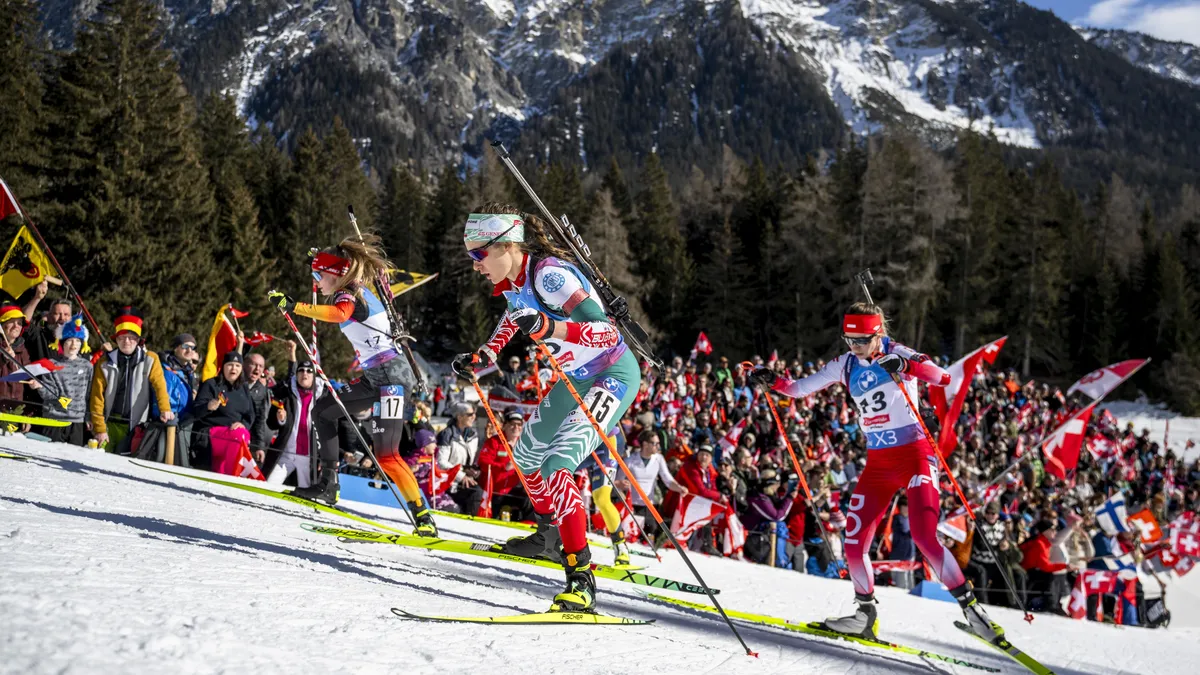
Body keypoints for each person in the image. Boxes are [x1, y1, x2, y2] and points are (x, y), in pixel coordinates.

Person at [748, 302, 1004, 643]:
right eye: (849, 339)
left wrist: (907, 364)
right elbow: (799, 388)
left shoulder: (897, 352)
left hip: (915, 455)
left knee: (924, 536)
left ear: (877, 334)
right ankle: (864, 615)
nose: (854, 347)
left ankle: (975, 613)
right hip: (879, 462)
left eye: (861, 340)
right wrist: (774, 380)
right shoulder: (845, 364)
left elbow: (942, 377)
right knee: (854, 544)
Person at [453, 204, 642, 613]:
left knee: (558, 464)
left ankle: (581, 577)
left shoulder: (549, 275)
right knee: (524, 455)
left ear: (505, 245)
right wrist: (483, 356)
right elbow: (512, 319)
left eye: (478, 254)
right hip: (575, 379)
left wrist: (547, 328)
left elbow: (604, 331)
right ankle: (547, 536)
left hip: (613, 374)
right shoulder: (512, 280)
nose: (475, 265)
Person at [268, 234, 437, 537]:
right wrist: (319, 258)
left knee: (386, 454)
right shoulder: (351, 287)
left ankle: (423, 516)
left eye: (320, 276)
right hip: (375, 378)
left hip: (393, 381)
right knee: (323, 411)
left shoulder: (348, 295)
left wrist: (295, 306)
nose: (318, 283)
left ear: (335, 274)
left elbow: (339, 314)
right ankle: (328, 485)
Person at [87, 307, 173, 453]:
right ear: (116, 339)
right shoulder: (104, 363)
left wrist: (165, 409)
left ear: (138, 340)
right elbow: (97, 398)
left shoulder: (151, 359)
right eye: (122, 337)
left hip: (136, 427)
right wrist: (100, 428)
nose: (126, 341)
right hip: (108, 425)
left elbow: (160, 386)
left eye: (131, 337)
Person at [28, 313, 92, 444]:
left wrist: (88, 417)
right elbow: (48, 394)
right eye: (69, 340)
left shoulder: (87, 366)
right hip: (54, 419)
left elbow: (89, 393)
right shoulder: (52, 365)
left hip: (77, 421)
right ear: (62, 343)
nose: (73, 344)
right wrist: (40, 386)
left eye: (77, 341)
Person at [192, 351, 259, 477]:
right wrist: (208, 406)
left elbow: (251, 414)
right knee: (239, 435)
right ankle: (235, 477)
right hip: (210, 434)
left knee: (241, 433)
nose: (233, 368)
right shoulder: (211, 384)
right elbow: (195, 410)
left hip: (234, 436)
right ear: (223, 367)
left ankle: (224, 475)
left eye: (237, 365)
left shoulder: (243, 388)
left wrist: (243, 424)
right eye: (230, 365)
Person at [267, 357, 325, 487]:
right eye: (301, 370)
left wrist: (324, 457)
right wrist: (281, 420)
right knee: (269, 485)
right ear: (297, 374)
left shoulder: (322, 397)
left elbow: (330, 430)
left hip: (308, 457)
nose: (305, 373)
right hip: (287, 453)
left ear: (314, 376)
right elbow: (270, 423)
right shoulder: (287, 394)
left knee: (307, 493)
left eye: (309, 371)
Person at [625, 430, 688, 543]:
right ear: (645, 444)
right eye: (655, 443)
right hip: (631, 505)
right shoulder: (630, 460)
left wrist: (680, 488)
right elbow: (617, 480)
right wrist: (621, 484)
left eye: (658, 443)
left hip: (649, 505)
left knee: (651, 532)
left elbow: (668, 480)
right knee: (632, 536)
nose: (658, 446)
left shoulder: (658, 459)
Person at [476, 408, 529, 518]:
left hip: (514, 492)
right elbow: (483, 462)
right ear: (504, 425)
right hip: (493, 492)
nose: (516, 427)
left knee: (530, 502)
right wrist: (504, 467)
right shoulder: (494, 442)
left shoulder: (524, 444)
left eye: (519, 424)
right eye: (512, 424)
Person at [437, 401, 484, 515]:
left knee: (478, 490)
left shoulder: (473, 435)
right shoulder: (447, 434)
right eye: (470, 414)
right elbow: (441, 462)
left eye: (474, 414)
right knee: (476, 492)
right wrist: (461, 475)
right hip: (449, 481)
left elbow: (471, 459)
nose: (474, 417)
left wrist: (473, 469)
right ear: (459, 417)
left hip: (464, 478)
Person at [0, 304, 32, 414]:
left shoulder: (22, 349)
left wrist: (27, 414)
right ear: (2, 325)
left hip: (16, 411)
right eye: (11, 322)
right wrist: (3, 359)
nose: (16, 326)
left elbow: (28, 381)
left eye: (19, 323)